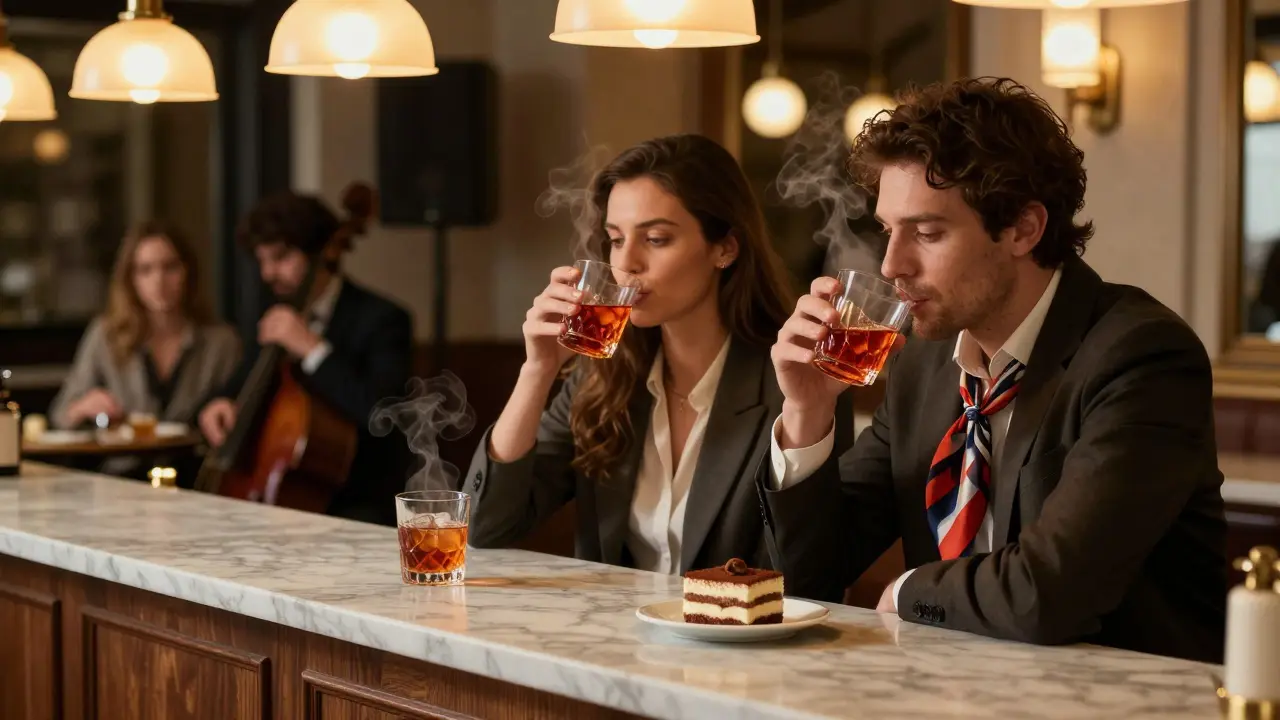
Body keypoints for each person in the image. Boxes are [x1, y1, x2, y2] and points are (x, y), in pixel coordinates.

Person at [763, 78, 1225, 662]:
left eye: (927, 233)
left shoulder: (1141, 355)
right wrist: (807, 412)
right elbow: (806, 579)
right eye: (888, 230)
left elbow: (1050, 593)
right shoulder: (926, 364)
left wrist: (906, 590)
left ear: (1023, 229)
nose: (891, 264)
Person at [466, 134, 854, 574]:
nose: (626, 262)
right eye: (615, 240)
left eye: (655, 239)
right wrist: (537, 368)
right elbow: (487, 526)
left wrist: (805, 417)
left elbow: (811, 576)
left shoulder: (799, 387)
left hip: (734, 638)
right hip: (613, 637)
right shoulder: (603, 378)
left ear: (724, 248)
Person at [198, 187, 414, 525]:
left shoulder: (383, 319)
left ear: (323, 253)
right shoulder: (279, 317)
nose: (268, 273)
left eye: (281, 257)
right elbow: (238, 385)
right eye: (262, 260)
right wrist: (218, 404)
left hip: (357, 508)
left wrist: (312, 349)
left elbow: (382, 414)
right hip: (279, 503)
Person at [51, 222, 239, 446]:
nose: (158, 281)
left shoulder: (221, 342)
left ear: (188, 271)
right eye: (145, 270)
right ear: (130, 279)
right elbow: (60, 415)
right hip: (123, 466)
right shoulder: (105, 335)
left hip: (194, 468)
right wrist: (83, 407)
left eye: (170, 267)